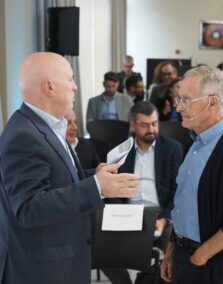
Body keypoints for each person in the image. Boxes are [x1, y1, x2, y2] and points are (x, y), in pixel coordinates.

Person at [0, 52, 140, 284]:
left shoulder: (45, 125)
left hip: (61, 263)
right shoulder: (24, 136)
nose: (75, 87)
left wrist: (93, 176)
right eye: (70, 79)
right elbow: (28, 208)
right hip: (42, 271)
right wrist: (96, 187)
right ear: (49, 87)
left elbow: (56, 178)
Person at [160, 65, 223, 284]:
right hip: (183, 254)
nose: (179, 108)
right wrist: (171, 249)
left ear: (213, 102)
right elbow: (184, 204)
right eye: (179, 99)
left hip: (211, 263)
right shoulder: (193, 142)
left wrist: (200, 256)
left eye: (187, 100)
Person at [102, 102, 183, 284]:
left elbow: (177, 192)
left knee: (173, 260)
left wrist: (164, 219)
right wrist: (121, 216)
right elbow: (111, 190)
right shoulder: (121, 151)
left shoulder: (172, 149)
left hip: (160, 214)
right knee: (104, 254)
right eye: (145, 125)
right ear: (133, 125)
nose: (151, 129)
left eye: (154, 123)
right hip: (128, 213)